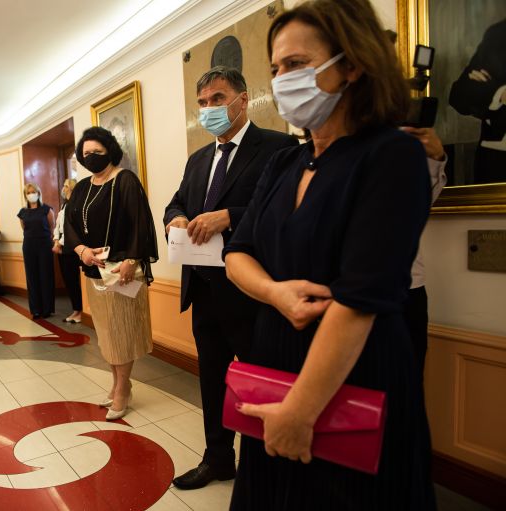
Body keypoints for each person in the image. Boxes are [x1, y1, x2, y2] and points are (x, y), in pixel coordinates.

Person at [223, 0, 435, 507]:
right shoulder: (283, 163)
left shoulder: (392, 154)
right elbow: (237, 255)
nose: (282, 80)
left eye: (296, 64)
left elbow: (361, 297)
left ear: (351, 65)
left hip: (353, 374)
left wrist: (300, 412)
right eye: (276, 69)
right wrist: (276, 293)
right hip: (273, 365)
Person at [164, 66, 298, 490]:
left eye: (217, 99)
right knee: (212, 381)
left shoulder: (278, 148)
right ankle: (218, 458)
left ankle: (266, 469)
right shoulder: (198, 159)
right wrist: (176, 218)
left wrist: (229, 217)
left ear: (243, 100)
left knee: (260, 385)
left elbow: (286, 209)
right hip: (204, 291)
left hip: (252, 294)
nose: (209, 109)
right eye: (202, 103)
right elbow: (175, 204)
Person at [64, 127, 158, 420]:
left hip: (120, 271)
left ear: (110, 151)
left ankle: (122, 389)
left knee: (121, 333)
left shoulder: (125, 180)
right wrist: (81, 250)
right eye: (86, 153)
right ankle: (119, 384)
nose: (91, 157)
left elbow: (140, 223)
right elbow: (69, 224)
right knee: (106, 333)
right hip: (94, 270)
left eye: (97, 152)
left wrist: (131, 258)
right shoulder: (82, 187)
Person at [400, 127, 447, 378]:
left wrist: (434, 158)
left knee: (407, 382)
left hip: (405, 291)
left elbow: (416, 205)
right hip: (336, 292)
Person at [448, 19, 506, 184]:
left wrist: (491, 86)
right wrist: (499, 94)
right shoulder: (498, 34)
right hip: (496, 164)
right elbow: (459, 95)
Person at [18, 183, 55, 319]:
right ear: (25, 195)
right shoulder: (23, 212)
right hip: (29, 245)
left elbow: (51, 226)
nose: (31, 194)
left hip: (45, 245)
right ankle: (36, 309)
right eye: (28, 192)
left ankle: (47, 309)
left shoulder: (47, 210)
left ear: (38, 193)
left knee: (46, 276)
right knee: (32, 277)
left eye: (33, 191)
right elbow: (24, 228)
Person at [53, 178, 83, 323]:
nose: (63, 189)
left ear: (71, 188)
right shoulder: (64, 205)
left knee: (74, 281)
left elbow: (71, 229)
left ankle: (79, 311)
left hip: (72, 248)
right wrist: (56, 240)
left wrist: (60, 243)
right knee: (68, 281)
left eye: (65, 186)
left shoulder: (76, 205)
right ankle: (75, 310)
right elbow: (58, 226)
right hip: (63, 247)